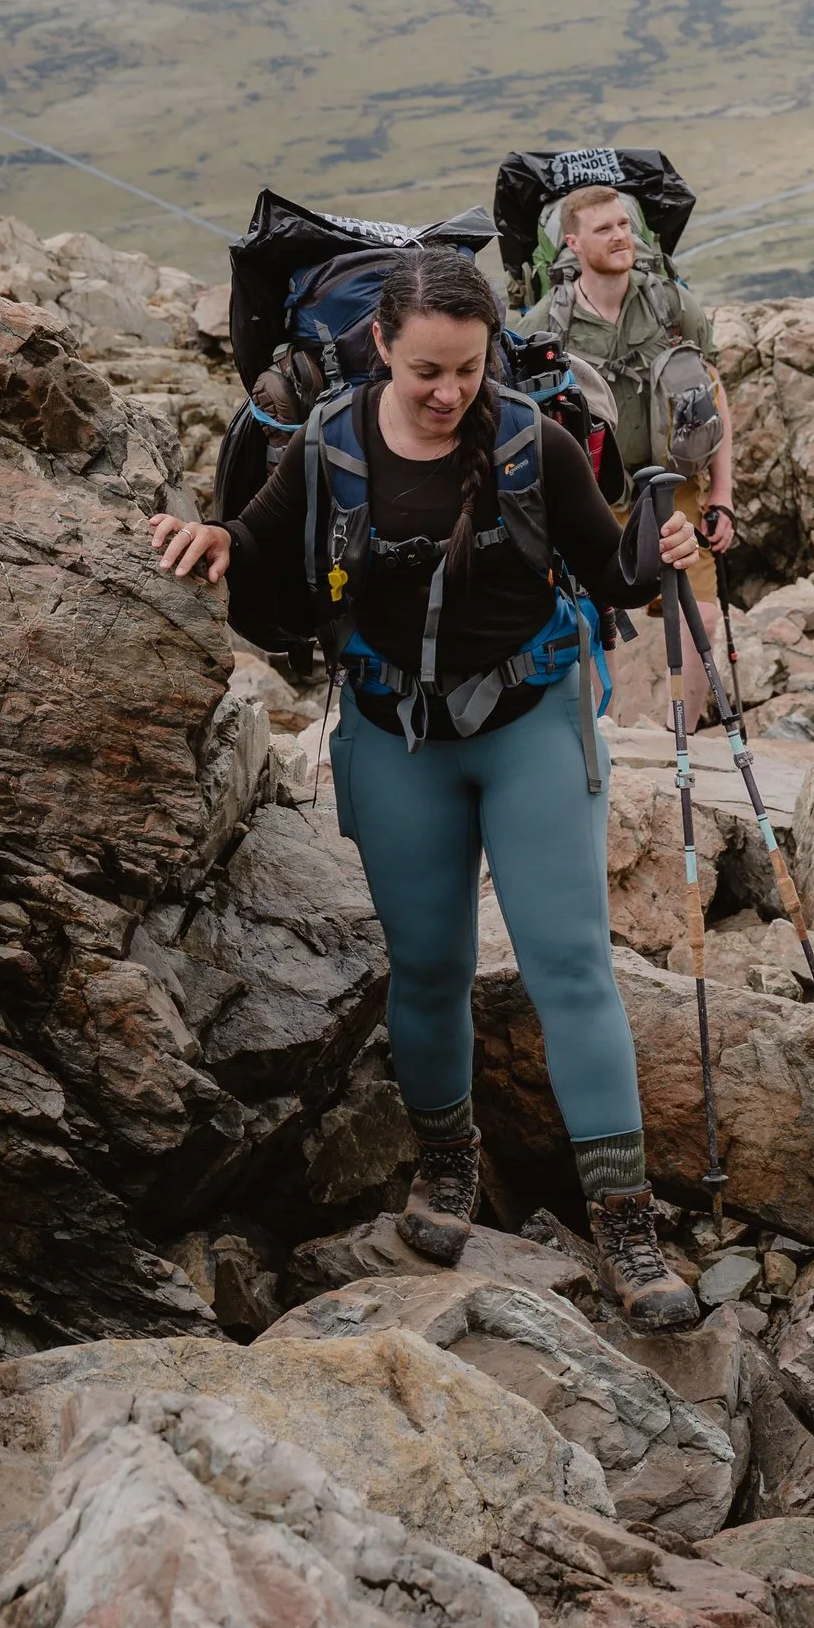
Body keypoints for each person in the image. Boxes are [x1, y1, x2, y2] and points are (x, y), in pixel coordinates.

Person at [148, 242, 702, 1332]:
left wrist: (662, 543)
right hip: (395, 730)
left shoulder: (534, 441)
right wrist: (206, 536)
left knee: (570, 967)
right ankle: (448, 1162)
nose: (450, 393)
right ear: (381, 350)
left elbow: (613, 575)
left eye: (468, 368)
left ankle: (624, 1221)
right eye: (425, 373)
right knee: (430, 966)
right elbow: (252, 544)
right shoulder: (329, 444)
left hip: (530, 722)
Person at [539, 178, 736, 704]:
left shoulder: (671, 305)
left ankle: (681, 742)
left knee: (701, 619)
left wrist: (722, 496)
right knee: (596, 625)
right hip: (592, 498)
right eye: (603, 228)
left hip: (675, 491)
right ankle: (609, 737)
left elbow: (713, 396)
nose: (620, 235)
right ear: (573, 243)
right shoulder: (548, 324)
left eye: (624, 224)